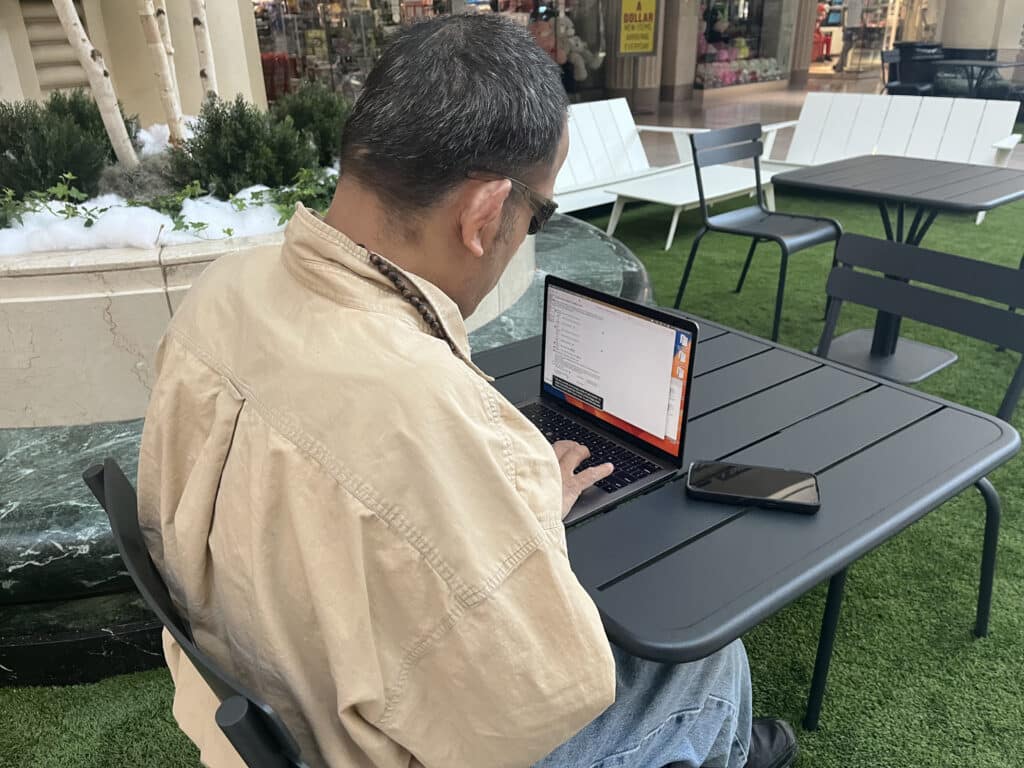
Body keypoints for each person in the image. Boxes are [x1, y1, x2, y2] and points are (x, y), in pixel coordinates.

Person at [138, 14, 797, 768]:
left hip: (264, 694)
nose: (533, 231)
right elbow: (540, 697)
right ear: (486, 215)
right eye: (540, 213)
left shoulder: (219, 293)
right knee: (711, 662)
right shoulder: (424, 411)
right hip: (364, 743)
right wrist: (529, 516)